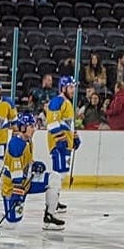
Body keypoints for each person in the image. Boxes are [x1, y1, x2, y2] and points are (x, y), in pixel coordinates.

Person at [0, 112, 61, 229]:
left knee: (55, 178)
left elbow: (26, 163)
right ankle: (8, 211)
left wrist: (35, 165)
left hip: (26, 182)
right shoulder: (16, 145)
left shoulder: (28, 141)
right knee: (13, 224)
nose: (34, 129)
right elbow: (16, 177)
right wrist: (17, 199)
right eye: (31, 126)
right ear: (23, 128)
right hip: (13, 188)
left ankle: (49, 217)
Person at [44, 76, 78, 215]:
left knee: (62, 174)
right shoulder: (57, 101)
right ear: (63, 88)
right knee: (57, 176)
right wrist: (61, 140)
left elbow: (68, 124)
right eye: (71, 87)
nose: (73, 90)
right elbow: (52, 124)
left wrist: (75, 137)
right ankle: (50, 206)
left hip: (66, 144)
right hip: (58, 144)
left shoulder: (67, 103)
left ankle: (54, 201)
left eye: (74, 87)